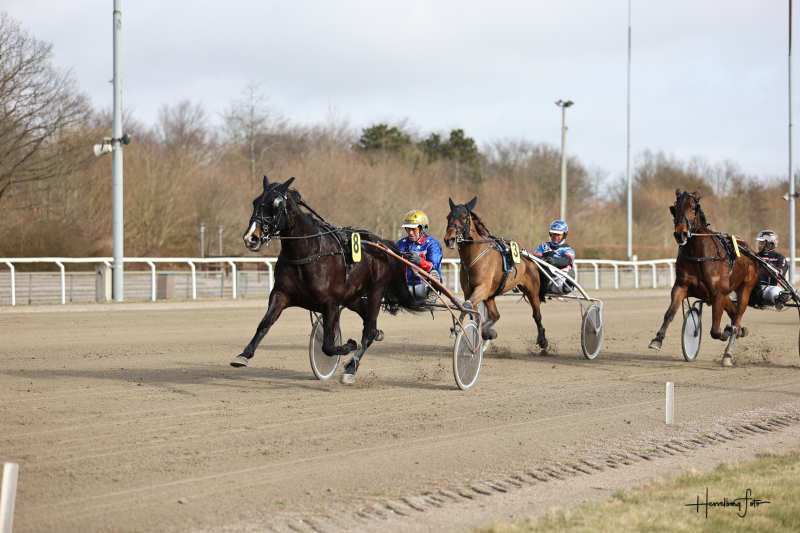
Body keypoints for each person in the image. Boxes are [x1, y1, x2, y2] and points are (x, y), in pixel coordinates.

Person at [397, 210, 443, 301]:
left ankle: (433, 290)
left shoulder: (433, 244)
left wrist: (419, 261)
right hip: (405, 287)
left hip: (424, 286)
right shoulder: (401, 244)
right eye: (408, 229)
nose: (410, 233)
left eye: (414, 229)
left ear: (423, 228)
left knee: (433, 276)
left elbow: (433, 267)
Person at [534, 220, 576, 295]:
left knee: (558, 286)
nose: (555, 237)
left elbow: (566, 260)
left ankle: (567, 285)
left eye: (558, 235)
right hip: (544, 276)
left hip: (559, 276)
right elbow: (536, 257)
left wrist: (554, 261)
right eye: (553, 234)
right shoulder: (543, 246)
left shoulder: (569, 250)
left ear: (564, 234)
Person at [755, 230, 792, 308]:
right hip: (753, 287)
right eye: (759, 243)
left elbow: (781, 272)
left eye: (762, 243)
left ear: (771, 244)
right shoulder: (754, 256)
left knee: (775, 291)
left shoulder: (779, 258)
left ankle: (780, 299)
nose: (759, 245)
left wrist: (768, 266)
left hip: (770, 288)